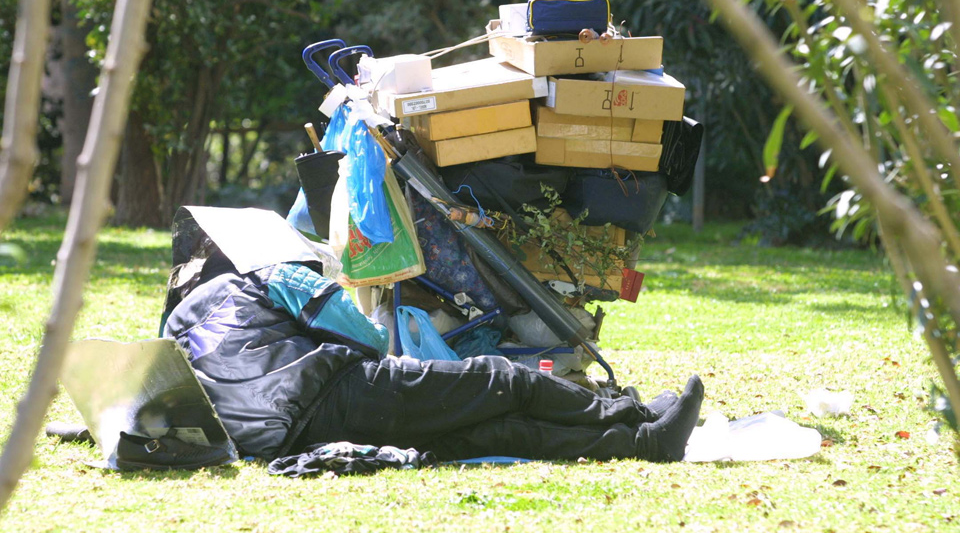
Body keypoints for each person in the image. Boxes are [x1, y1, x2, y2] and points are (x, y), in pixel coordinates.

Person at [161, 249, 704, 464]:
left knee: (494, 435)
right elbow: (366, 337)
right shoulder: (261, 276)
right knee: (500, 381)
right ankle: (636, 417)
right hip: (333, 396)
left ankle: (637, 440)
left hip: (286, 443)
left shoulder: (172, 332)